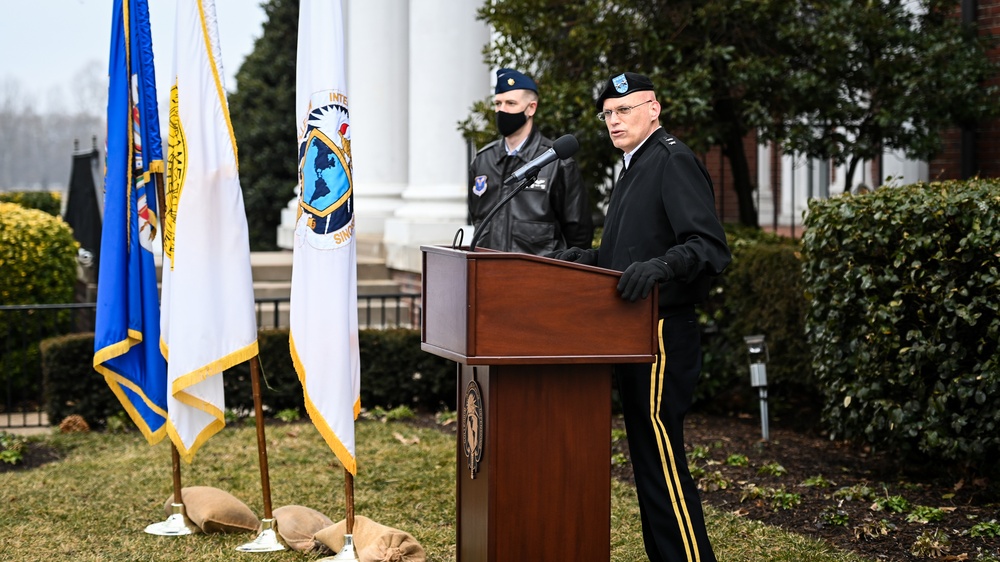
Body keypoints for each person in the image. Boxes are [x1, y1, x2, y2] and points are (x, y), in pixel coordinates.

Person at [554, 71, 730, 562]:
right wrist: (591, 260)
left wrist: (661, 267)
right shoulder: (634, 164)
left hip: (660, 332)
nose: (614, 120)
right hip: (628, 331)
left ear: (654, 108)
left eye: (625, 109)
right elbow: (634, 250)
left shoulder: (671, 159)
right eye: (608, 113)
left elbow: (707, 245)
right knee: (648, 463)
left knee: (661, 461)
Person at [468, 68, 593, 255]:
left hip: (537, 277)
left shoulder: (556, 162)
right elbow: (476, 217)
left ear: (531, 108)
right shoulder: (483, 160)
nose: (502, 110)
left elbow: (578, 234)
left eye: (511, 103)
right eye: (498, 103)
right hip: (488, 272)